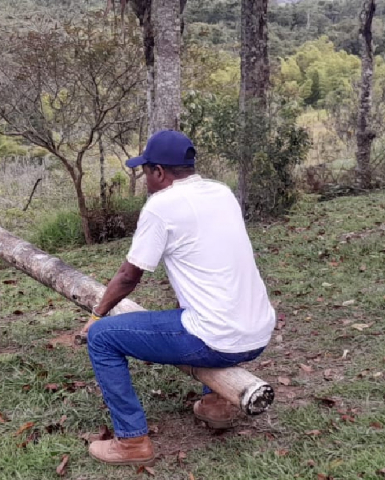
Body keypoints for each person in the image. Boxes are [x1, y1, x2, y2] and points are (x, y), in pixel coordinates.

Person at [82, 130, 275, 466]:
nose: (145, 179)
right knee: (199, 312)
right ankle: (217, 404)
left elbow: (130, 275)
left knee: (101, 338)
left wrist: (97, 315)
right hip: (258, 333)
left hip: (217, 338)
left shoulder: (161, 206)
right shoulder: (221, 192)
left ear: (159, 172)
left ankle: (131, 441)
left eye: (145, 171)